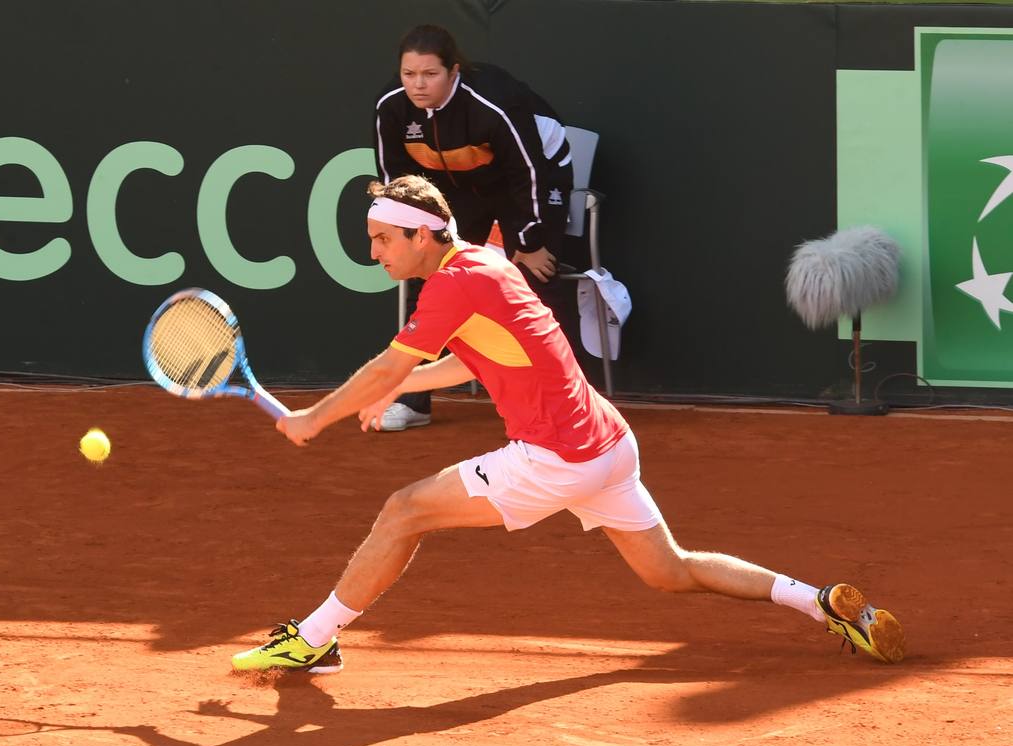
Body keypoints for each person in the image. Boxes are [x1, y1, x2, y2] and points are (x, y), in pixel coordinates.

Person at [232, 176, 906, 674]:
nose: (374, 251)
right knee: (670, 571)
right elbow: (471, 361)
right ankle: (820, 602)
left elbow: (385, 364)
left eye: (382, 239)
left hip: (554, 456)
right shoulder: (487, 262)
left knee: (402, 511)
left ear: (421, 234)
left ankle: (317, 638)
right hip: (606, 444)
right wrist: (399, 385)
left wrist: (312, 419)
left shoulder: (451, 285)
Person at [370, 23, 580, 432]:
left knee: (536, 274)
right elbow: (397, 182)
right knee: (430, 277)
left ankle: (567, 402)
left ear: (454, 71)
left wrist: (529, 239)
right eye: (409, 74)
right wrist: (413, 237)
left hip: (530, 174)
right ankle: (414, 403)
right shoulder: (391, 107)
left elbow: (529, 173)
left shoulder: (494, 103)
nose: (418, 85)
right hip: (457, 183)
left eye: (430, 74)